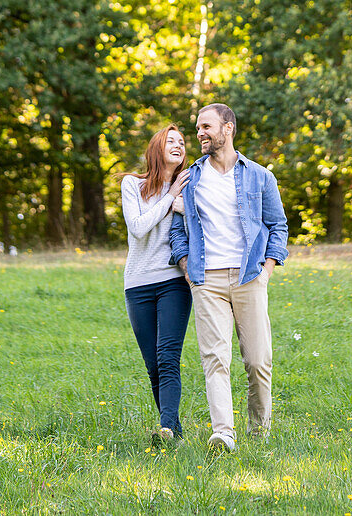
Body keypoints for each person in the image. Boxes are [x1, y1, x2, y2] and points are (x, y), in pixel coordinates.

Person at [169, 102, 288, 452]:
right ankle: (224, 433)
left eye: (206, 126)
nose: (200, 133)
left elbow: (277, 225)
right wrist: (188, 268)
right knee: (215, 358)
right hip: (207, 279)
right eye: (197, 129)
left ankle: (259, 431)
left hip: (250, 276)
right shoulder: (189, 178)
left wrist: (266, 269)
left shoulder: (260, 176)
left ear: (228, 128)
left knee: (258, 360)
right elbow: (178, 229)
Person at [121, 123, 192, 442]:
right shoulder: (132, 185)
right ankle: (173, 432)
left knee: (167, 356)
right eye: (170, 140)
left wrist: (183, 202)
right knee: (152, 364)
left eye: (182, 141)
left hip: (173, 281)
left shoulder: (190, 186)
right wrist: (170, 198)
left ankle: (165, 427)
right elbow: (138, 228)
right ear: (156, 148)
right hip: (137, 284)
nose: (178, 145)